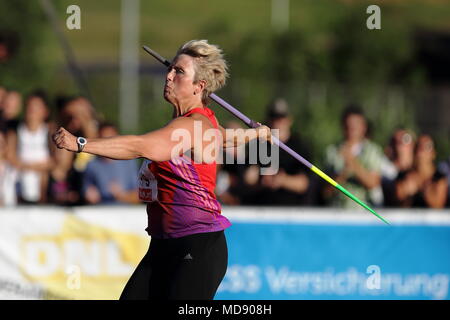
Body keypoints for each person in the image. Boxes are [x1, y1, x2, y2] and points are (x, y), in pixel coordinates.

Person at [53, 40, 272, 300]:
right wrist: (255, 134)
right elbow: (225, 138)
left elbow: (140, 145)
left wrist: (81, 143)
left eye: (179, 72)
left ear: (198, 86)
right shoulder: (204, 122)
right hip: (163, 246)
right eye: (170, 68)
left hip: (195, 248)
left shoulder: (192, 126)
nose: (168, 76)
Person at [241, 98, 315, 205]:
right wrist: (262, 179)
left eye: (281, 118)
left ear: (289, 120)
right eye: (274, 118)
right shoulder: (257, 143)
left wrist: (282, 180)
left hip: (293, 211)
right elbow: (248, 179)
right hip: (261, 209)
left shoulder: (300, 145)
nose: (277, 122)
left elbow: (305, 183)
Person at [323, 105, 384, 208]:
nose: (351, 129)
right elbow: (326, 191)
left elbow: (373, 183)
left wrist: (353, 164)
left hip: (364, 212)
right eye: (348, 125)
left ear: (364, 127)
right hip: (336, 212)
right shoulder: (331, 151)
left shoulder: (373, 151)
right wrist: (343, 174)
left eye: (355, 125)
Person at [8, 90, 53, 204]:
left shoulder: (50, 132)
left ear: (45, 111)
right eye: (29, 106)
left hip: (43, 179)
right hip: (19, 178)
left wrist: (33, 167)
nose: (32, 110)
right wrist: (28, 167)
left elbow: (55, 161)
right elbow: (10, 156)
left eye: (36, 107)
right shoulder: (16, 131)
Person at [82, 122, 139, 204]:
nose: (107, 144)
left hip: (126, 214)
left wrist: (121, 195)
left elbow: (140, 196)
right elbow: (86, 192)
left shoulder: (129, 162)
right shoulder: (91, 165)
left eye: (110, 139)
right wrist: (89, 197)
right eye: (103, 139)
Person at [395, 134, 448, 208]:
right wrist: (406, 193)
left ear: (433, 153)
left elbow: (438, 206)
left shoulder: (439, 178)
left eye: (427, 146)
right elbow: (396, 203)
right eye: (418, 146)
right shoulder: (404, 176)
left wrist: (425, 191)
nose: (421, 150)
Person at [381, 128, 416, 207]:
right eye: (395, 141)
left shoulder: (419, 171)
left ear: (413, 145)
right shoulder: (382, 170)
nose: (400, 145)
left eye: (405, 139)